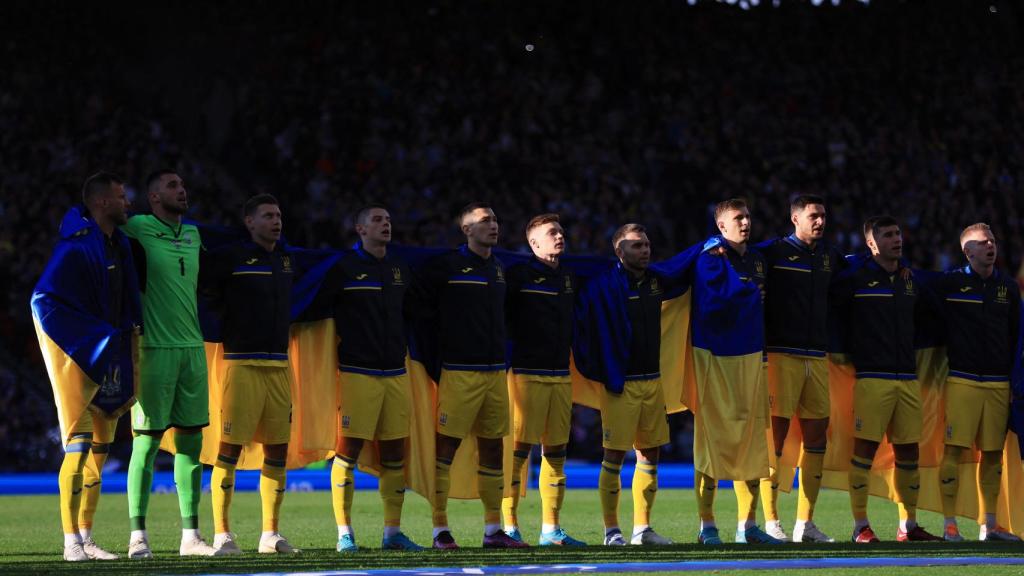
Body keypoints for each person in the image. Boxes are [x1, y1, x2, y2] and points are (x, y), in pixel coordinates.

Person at [32, 172, 140, 561]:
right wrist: (85, 337)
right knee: (77, 450)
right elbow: (42, 299)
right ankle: (69, 542)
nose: (128, 202)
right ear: (102, 203)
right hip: (80, 356)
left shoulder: (118, 245)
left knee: (99, 451)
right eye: (122, 195)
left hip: (109, 354)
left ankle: (87, 537)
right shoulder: (74, 247)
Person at [408, 202, 527, 549]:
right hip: (458, 372)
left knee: (492, 450)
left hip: (494, 374)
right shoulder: (445, 267)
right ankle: (439, 530)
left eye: (495, 219)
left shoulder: (500, 268)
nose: (493, 225)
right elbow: (416, 307)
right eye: (484, 221)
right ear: (466, 230)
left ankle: (493, 530)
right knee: (446, 448)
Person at [121, 170, 215, 558]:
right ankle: (137, 536)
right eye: (173, 186)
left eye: (183, 184)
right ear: (154, 196)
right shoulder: (138, 227)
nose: (183, 190)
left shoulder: (194, 234)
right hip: (154, 349)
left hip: (193, 349)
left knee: (191, 444)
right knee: (146, 443)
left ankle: (191, 537)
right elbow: (97, 227)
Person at [832, 215, 942, 543]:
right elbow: (833, 310)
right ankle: (860, 526)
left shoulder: (911, 281)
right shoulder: (855, 278)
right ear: (871, 243)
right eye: (888, 235)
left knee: (909, 453)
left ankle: (908, 525)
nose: (897, 239)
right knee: (864, 451)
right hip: (870, 377)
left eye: (898, 234)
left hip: (907, 377)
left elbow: (931, 316)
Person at [204, 194, 299, 555]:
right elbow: (202, 294)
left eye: (278, 215)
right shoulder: (229, 259)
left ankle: (270, 534)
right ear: (249, 222)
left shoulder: (288, 260)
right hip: (241, 364)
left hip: (279, 366)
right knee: (227, 450)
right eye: (268, 216)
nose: (276, 221)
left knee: (277, 452)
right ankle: (223, 534)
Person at [328, 205, 423, 553]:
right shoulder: (343, 268)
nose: (386, 224)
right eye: (378, 220)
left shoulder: (400, 269)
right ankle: (344, 534)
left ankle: (392, 533)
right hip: (357, 373)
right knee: (347, 451)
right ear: (359, 228)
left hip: (395, 373)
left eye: (388, 219)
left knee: (395, 453)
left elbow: (414, 314)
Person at [691, 199, 780, 546]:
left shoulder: (758, 259)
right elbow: (711, 303)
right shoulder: (710, 258)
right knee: (711, 442)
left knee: (752, 441)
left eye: (747, 217)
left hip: (752, 357)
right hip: (714, 358)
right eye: (736, 218)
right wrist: (745, 294)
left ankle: (749, 526)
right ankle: (707, 525)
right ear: (721, 226)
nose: (745, 222)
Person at [755, 194, 841, 543]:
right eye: (813, 216)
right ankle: (772, 521)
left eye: (823, 215)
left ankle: (805, 523)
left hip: (817, 358)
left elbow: (859, 270)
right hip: (781, 356)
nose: (820, 221)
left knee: (817, 438)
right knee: (774, 439)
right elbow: (739, 255)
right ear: (795, 219)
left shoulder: (829, 256)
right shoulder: (772, 253)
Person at [587, 223, 674, 547]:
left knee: (650, 455)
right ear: (619, 251)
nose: (645, 250)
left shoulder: (656, 281)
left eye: (647, 244)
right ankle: (612, 531)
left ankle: (642, 529)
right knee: (614, 456)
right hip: (620, 386)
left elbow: (683, 268)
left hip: (653, 381)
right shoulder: (605, 285)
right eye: (637, 245)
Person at [501, 214, 585, 546]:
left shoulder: (568, 277)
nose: (560, 235)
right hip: (525, 375)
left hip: (561, 376)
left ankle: (551, 529)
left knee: (556, 452)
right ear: (533, 243)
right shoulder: (517, 276)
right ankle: (509, 526)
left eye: (562, 231)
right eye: (552, 232)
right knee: (519, 453)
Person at [935, 223, 1022, 542]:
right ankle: (949, 524)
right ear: (966, 251)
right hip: (962, 381)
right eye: (983, 242)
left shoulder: (1009, 288)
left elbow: (1016, 337)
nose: (990, 246)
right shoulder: (950, 284)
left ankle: (990, 525)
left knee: (992, 455)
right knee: (955, 452)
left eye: (993, 241)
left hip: (999, 384)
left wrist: (1015, 380)